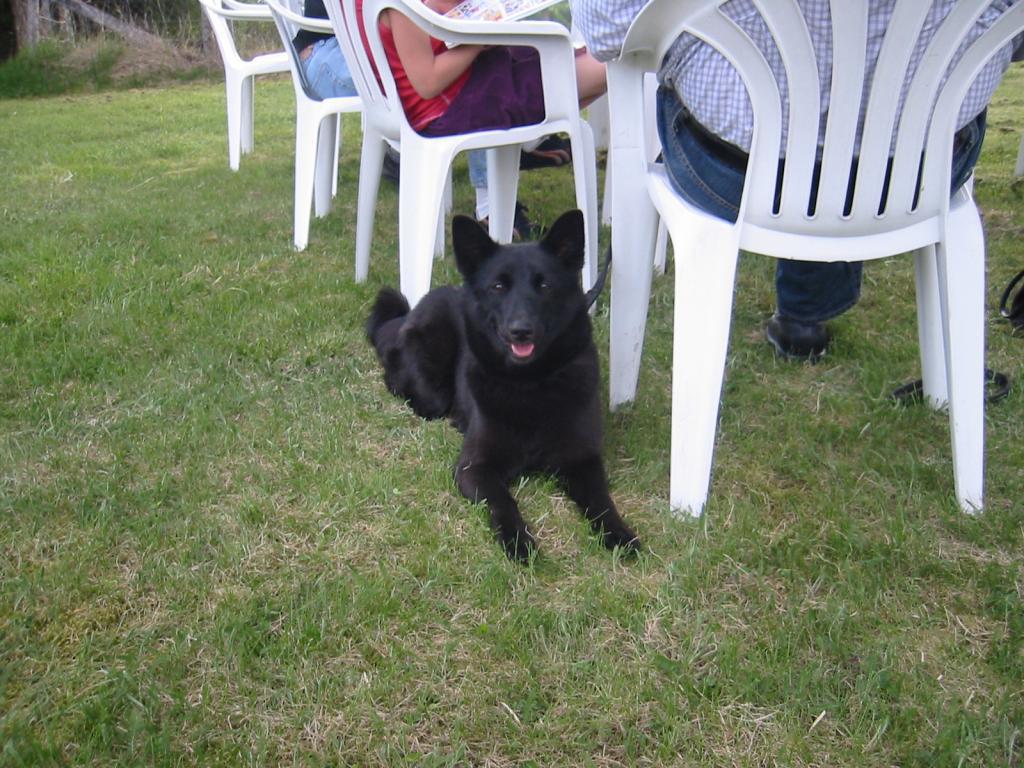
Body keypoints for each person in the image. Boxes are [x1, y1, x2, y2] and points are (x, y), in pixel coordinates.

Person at [571, 0, 1022, 360]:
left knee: (800, 121)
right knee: (846, 116)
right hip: (921, 170)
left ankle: (804, 311)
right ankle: (806, 312)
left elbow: (609, 29)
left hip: (733, 172)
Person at [364, 0, 607, 232]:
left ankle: (534, 133)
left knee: (575, 62)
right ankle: (533, 134)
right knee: (605, 68)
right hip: (449, 108)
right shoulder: (401, 7)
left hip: (466, 86)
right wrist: (480, 37)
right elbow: (427, 82)